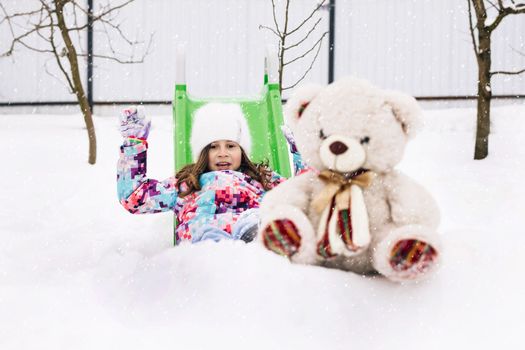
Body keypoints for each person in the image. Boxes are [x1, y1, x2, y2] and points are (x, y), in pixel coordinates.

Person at [117, 102, 299, 244]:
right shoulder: (187, 184)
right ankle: (218, 253)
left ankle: (253, 241)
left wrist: (301, 152)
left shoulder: (262, 179)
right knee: (206, 231)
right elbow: (134, 197)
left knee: (258, 221)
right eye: (213, 147)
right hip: (204, 239)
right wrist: (134, 143)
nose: (223, 153)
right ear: (203, 153)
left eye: (231, 146)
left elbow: (303, 194)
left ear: (242, 151)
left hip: (251, 230)